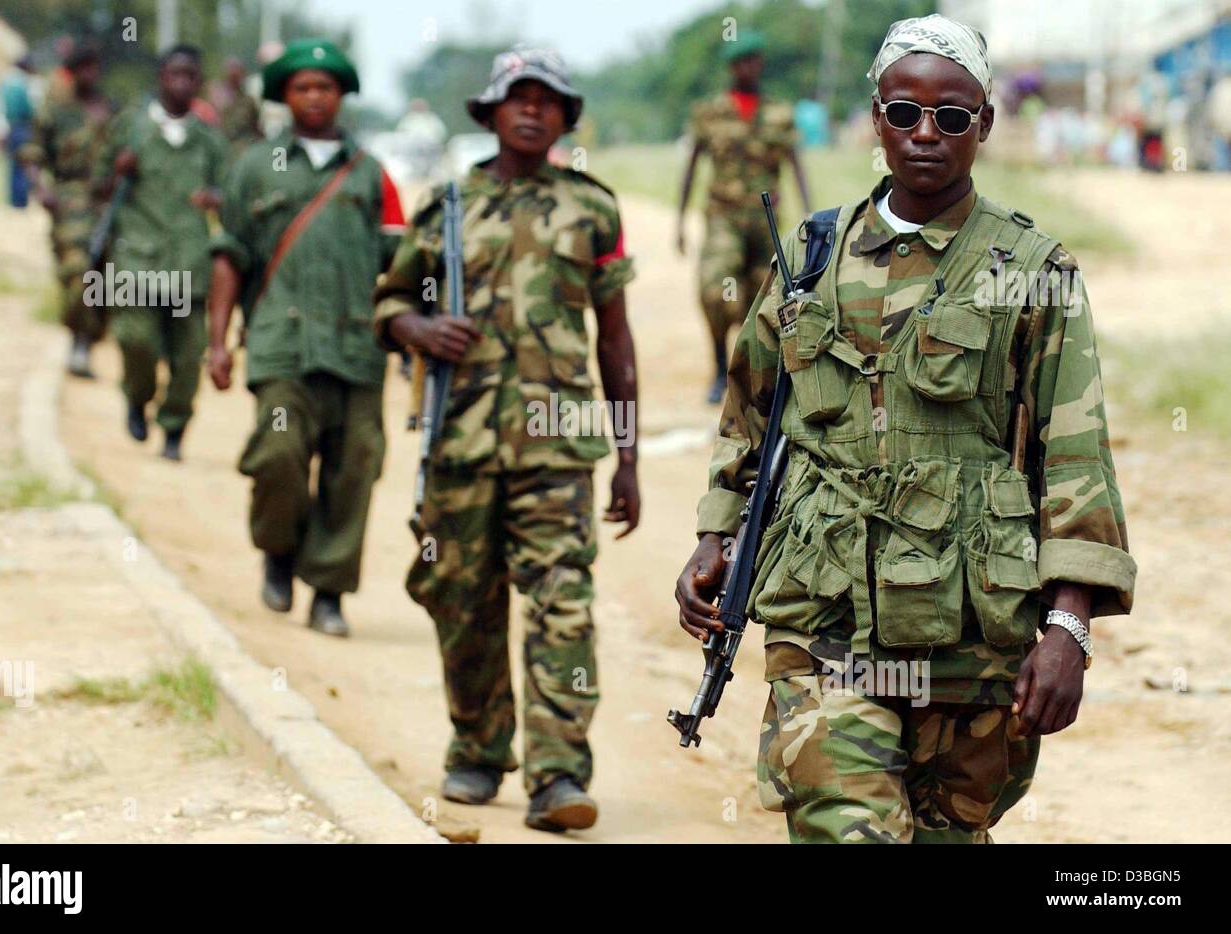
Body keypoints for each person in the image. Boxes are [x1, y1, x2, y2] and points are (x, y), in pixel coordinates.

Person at [673, 14, 1136, 844]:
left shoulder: (1031, 272)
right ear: (875, 118)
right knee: (849, 826)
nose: (927, 134)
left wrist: (1069, 627)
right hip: (825, 617)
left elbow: (1075, 458)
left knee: (947, 835)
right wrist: (715, 535)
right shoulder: (811, 255)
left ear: (984, 125)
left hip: (974, 635)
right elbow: (750, 410)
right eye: (904, 112)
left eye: (952, 116)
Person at [373, 47, 640, 833]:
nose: (532, 110)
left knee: (563, 606)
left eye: (548, 99)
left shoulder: (593, 209)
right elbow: (386, 306)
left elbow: (615, 341)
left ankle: (559, 776)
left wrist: (627, 456)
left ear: (566, 116)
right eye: (516, 98)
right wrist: (421, 326)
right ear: (489, 113)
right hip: (460, 444)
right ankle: (480, 749)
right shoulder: (444, 209)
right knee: (463, 601)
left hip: (558, 451)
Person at [207, 39, 405, 637]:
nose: (314, 96)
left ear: (342, 95)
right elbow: (228, 255)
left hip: (355, 348)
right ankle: (278, 550)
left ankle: (328, 592)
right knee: (278, 455)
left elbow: (404, 260)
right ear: (284, 97)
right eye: (302, 87)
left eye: (325, 86)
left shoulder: (371, 173)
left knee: (354, 471)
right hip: (279, 344)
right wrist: (217, 342)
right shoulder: (251, 166)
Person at [94, 44, 227, 461]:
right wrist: (118, 172)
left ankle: (173, 428)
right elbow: (97, 185)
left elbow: (230, 193)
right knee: (136, 341)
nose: (182, 82)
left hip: (190, 261)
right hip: (138, 259)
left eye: (191, 75)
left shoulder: (209, 140)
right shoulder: (131, 128)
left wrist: (215, 198)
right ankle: (137, 396)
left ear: (199, 82)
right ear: (161, 78)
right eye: (175, 74)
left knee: (188, 360)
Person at [676, 29, 811, 404]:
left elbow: (796, 164)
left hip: (765, 222)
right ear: (731, 66)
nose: (747, 67)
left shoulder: (779, 114)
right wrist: (680, 221)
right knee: (716, 292)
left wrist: (810, 214)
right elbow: (690, 165)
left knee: (763, 300)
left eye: (753, 60)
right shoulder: (710, 112)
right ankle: (719, 369)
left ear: (760, 63)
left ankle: (756, 377)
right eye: (740, 61)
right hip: (724, 218)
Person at [21, 42, 117, 378]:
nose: (90, 75)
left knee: (106, 277)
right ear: (72, 72)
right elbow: (32, 152)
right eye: (83, 68)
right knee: (78, 272)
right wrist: (42, 188)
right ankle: (78, 339)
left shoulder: (109, 108)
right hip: (70, 199)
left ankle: (89, 340)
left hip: (109, 202)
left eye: (94, 67)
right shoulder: (56, 111)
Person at [0, 55, 36, 209]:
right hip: (22, 126)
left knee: (12, 164)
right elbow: (27, 107)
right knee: (23, 163)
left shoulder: (5, 82)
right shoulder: (21, 83)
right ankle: (21, 201)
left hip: (9, 127)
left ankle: (13, 199)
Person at [210, 57, 263, 154]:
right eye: (231, 74)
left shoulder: (248, 102)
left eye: (237, 74)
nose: (235, 77)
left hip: (242, 150)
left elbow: (257, 128)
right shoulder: (213, 95)